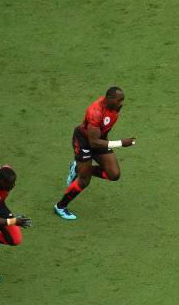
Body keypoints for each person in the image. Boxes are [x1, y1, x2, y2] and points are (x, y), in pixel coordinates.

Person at [53, 86, 136, 220]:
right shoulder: (96, 112)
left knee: (114, 174)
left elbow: (104, 131)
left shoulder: (115, 109)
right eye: (119, 100)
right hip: (84, 142)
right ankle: (60, 206)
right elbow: (93, 142)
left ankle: (78, 168)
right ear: (109, 99)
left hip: (99, 140)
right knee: (84, 180)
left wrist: (106, 148)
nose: (122, 103)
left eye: (123, 100)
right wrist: (121, 143)